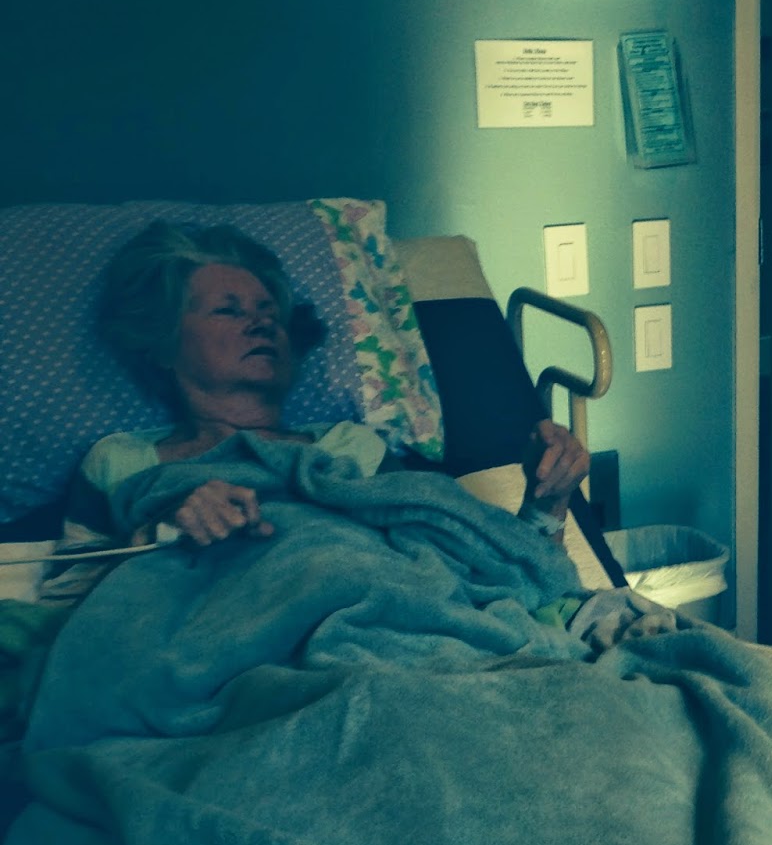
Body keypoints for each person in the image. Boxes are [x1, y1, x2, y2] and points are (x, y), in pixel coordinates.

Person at [49, 222, 587, 582]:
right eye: (228, 311)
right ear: (163, 343)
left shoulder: (354, 448)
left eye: (270, 312)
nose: (261, 323)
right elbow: (65, 609)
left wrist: (550, 500)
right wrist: (162, 533)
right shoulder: (120, 462)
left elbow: (479, 573)